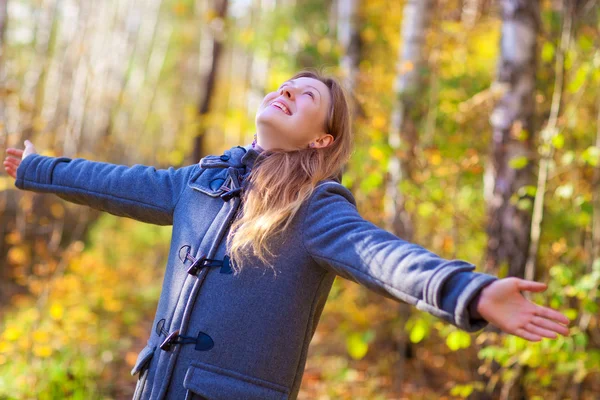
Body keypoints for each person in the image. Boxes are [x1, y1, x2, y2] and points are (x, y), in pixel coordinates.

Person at [3, 70, 570, 400]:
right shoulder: (200, 182)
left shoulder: (315, 206)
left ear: (321, 140)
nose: (285, 93)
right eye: (284, 86)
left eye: (306, 98)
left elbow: (382, 256)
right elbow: (114, 182)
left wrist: (467, 291)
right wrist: (36, 169)